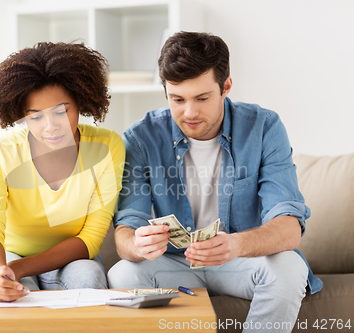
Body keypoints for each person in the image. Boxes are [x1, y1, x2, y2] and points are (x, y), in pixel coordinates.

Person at [107, 32, 322, 332]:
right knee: (122, 275)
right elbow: (126, 229)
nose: (190, 112)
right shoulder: (141, 138)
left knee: (290, 267)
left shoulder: (264, 127)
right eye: (177, 99)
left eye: (202, 98)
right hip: (176, 263)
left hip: (241, 260)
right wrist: (137, 244)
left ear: (226, 87)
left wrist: (235, 245)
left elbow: (288, 226)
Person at [0, 42, 125, 302]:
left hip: (69, 258)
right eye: (35, 116)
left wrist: (21, 268)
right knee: (15, 292)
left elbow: (91, 239)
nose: (51, 127)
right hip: (5, 254)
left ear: (80, 101)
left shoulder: (107, 146)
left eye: (61, 111)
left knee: (88, 279)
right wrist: (1, 272)